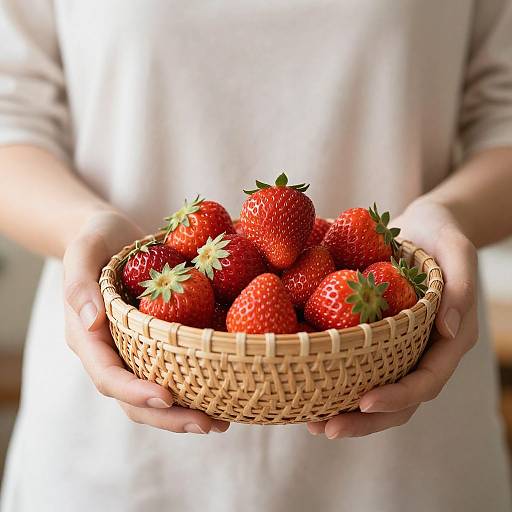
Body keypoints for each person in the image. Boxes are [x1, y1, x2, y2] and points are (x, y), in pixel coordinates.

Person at [1, 1, 512, 511]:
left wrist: (451, 216)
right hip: (115, 454)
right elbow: (11, 118)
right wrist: (83, 228)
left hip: (409, 446)